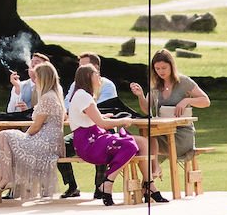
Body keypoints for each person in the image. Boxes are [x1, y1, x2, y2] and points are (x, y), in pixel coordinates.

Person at [129, 51, 210, 196]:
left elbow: (206, 101)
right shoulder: (156, 86)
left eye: (164, 68)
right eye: (157, 69)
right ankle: (152, 175)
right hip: (163, 133)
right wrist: (141, 95)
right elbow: (147, 108)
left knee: (150, 140)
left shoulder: (184, 82)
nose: (161, 72)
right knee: (147, 139)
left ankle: (151, 178)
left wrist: (187, 100)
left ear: (171, 66)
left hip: (182, 135)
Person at [0, 62, 65, 204]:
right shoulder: (54, 95)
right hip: (49, 141)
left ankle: (2, 184)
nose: (35, 80)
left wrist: (24, 137)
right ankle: (0, 186)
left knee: (4, 136)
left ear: (44, 78)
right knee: (6, 138)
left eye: (37, 77)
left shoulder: (47, 97)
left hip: (45, 143)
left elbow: (36, 126)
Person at [64, 63, 140, 204]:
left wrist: (103, 116)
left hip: (91, 139)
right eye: (96, 74)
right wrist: (123, 121)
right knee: (129, 145)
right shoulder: (83, 96)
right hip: (89, 144)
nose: (99, 77)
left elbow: (89, 118)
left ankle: (107, 183)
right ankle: (108, 182)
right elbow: (102, 124)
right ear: (88, 76)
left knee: (132, 143)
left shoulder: (82, 95)